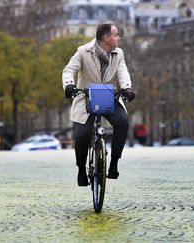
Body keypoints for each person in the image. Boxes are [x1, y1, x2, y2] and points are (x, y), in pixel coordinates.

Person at [62, 23, 135, 187]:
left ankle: (114, 163)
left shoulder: (119, 53)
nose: (119, 38)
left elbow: (123, 72)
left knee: (123, 122)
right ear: (106, 38)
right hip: (87, 98)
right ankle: (81, 168)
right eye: (116, 35)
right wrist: (69, 85)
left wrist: (127, 88)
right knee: (82, 136)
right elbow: (69, 70)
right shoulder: (83, 51)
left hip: (109, 97)